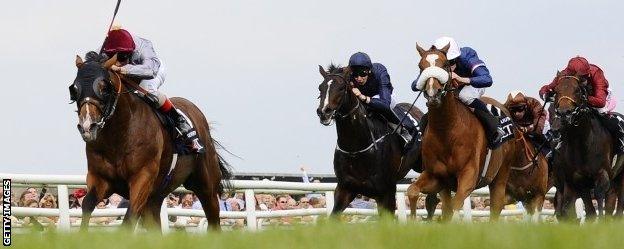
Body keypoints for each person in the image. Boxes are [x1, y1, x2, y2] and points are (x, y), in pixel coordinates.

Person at [101, 26, 204, 153]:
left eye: (121, 57)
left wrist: (123, 69)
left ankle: (180, 122)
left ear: (130, 52)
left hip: (152, 71)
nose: (117, 61)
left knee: (148, 91)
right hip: (127, 72)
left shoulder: (143, 46)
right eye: (112, 56)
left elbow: (151, 71)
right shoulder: (106, 48)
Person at [412, 37, 505, 148]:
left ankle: (494, 126)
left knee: (464, 96)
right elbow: (414, 86)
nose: (450, 67)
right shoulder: (434, 62)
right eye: (447, 63)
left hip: (473, 84)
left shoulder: (467, 56)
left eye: (452, 62)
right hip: (451, 89)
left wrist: (462, 79)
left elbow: (487, 79)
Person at [539, 56, 624, 154]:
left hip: (599, 98)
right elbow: (546, 89)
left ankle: (620, 143)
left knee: (605, 116)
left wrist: (584, 99)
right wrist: (545, 94)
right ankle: (553, 151)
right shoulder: (564, 75)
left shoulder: (596, 73)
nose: (585, 78)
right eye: (582, 77)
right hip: (577, 100)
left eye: (585, 76)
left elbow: (601, 102)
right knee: (559, 121)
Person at [348, 52, 416, 143]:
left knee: (377, 104)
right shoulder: (349, 76)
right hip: (363, 101)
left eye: (362, 74)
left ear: (369, 71)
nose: (359, 78)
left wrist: (363, 97)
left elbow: (385, 104)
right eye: (355, 75)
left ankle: (402, 130)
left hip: (384, 98)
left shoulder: (380, 71)